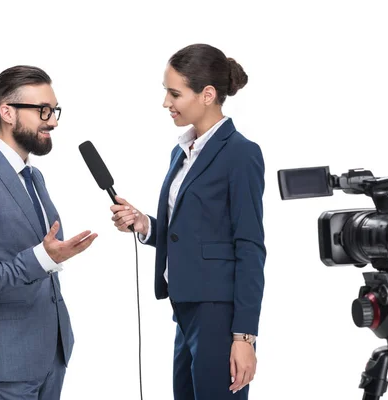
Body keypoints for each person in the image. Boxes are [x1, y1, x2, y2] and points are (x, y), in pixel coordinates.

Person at [110, 44, 266, 400]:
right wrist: (144, 224)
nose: (166, 102)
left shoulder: (240, 153)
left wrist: (244, 336)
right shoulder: (182, 151)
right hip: (184, 307)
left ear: (207, 95)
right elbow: (188, 231)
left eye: (175, 93)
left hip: (217, 312)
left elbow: (250, 245)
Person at [0, 65, 97, 400]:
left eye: (54, 110)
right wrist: (42, 258)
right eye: (43, 110)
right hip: (6, 361)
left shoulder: (33, 176)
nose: (53, 121)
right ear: (7, 112)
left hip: (50, 352)